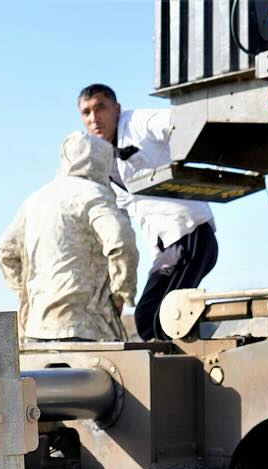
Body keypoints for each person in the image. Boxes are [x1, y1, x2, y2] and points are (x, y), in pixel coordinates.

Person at [78, 83, 218, 342]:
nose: (94, 118)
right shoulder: (99, 161)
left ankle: (190, 373)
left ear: (116, 109)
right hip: (165, 247)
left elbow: (174, 122)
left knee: (164, 319)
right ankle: (199, 348)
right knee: (146, 319)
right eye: (86, 112)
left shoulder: (138, 123)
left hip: (189, 232)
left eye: (100, 108)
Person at [0, 131, 138, 342]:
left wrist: (29, 294)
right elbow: (120, 240)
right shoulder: (94, 194)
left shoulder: (36, 200)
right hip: (86, 327)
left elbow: (4, 251)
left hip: (38, 327)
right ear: (104, 160)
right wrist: (121, 293)